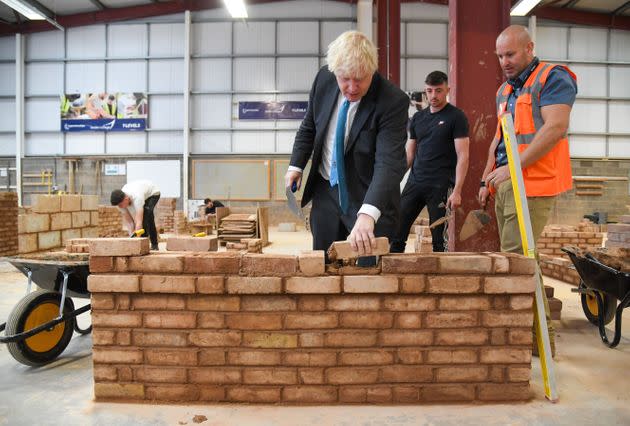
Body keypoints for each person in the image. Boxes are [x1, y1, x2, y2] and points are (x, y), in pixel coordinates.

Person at [479, 25, 577, 356]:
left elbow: (556, 128)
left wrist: (514, 169)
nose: (504, 61)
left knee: (521, 264)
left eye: (510, 54)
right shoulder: (505, 90)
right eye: (500, 56)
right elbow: (498, 138)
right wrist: (486, 177)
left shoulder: (553, 78)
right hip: (506, 183)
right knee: (513, 261)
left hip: (533, 186)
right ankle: (527, 338)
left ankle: (541, 343)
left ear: (529, 48)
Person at [284, 30, 408, 262]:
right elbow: (310, 125)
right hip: (326, 189)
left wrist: (368, 214)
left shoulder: (393, 102)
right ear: (335, 72)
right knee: (323, 263)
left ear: (372, 69)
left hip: (368, 194)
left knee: (369, 271)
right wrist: (296, 165)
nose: (351, 87)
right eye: (344, 79)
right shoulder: (324, 79)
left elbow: (389, 163)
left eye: (359, 79)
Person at [390, 71, 470, 253]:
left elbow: (463, 155)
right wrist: (393, 181)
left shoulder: (456, 117)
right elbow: (409, 154)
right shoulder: (418, 118)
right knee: (397, 234)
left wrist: (457, 191)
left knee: (438, 243)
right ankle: (395, 278)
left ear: (447, 90)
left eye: (438, 90)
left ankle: (439, 281)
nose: (433, 95)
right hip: (415, 183)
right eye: (429, 91)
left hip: (440, 187)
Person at [111, 180, 161, 250]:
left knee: (147, 216)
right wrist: (131, 236)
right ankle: (144, 245)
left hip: (152, 193)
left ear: (126, 199)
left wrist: (137, 240)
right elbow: (130, 222)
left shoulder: (137, 198)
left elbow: (139, 221)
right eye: (119, 206)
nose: (120, 207)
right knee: (143, 218)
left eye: (121, 205)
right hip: (142, 193)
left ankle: (151, 245)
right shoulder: (120, 203)